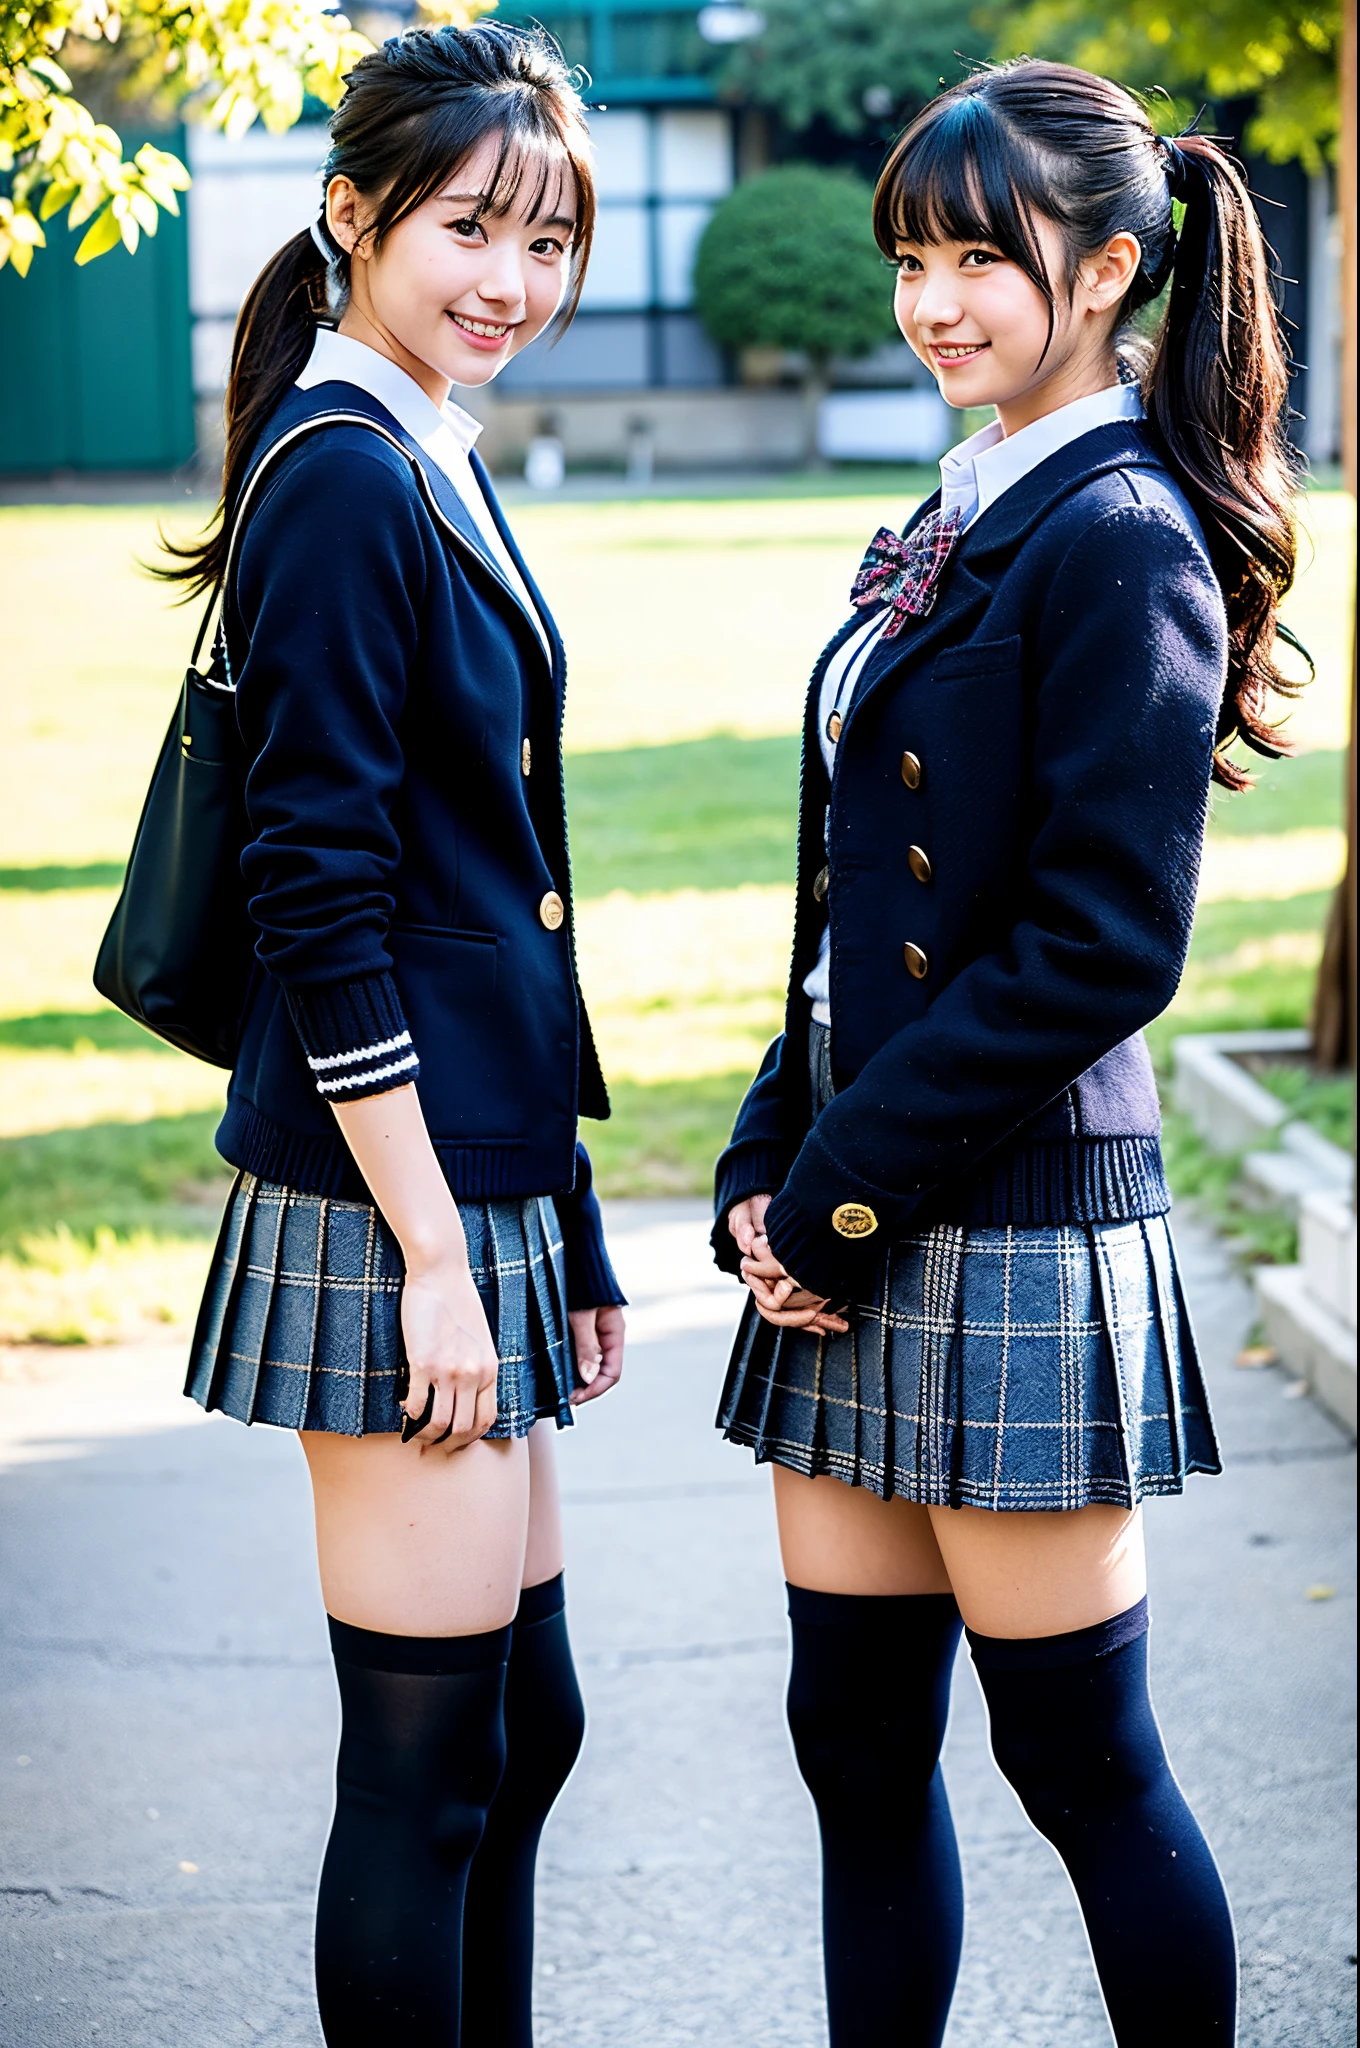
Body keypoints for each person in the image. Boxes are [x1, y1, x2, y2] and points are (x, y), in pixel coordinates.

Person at [713, 60, 1303, 2048]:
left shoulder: (1114, 528)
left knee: (1082, 1772)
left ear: (1114, 267)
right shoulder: (961, 502)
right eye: (909, 255)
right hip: (846, 1209)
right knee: (853, 1765)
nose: (931, 300)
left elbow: (1096, 943)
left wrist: (835, 1187)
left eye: (981, 255)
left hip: (1011, 1225)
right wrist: (759, 1149)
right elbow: (849, 893)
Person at [165, 25, 624, 2045]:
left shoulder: (417, 433)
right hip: (392, 1198)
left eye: (546, 242)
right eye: (468, 229)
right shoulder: (345, 477)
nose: (509, 282)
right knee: (426, 1775)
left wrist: (573, 1221)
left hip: (483, 1165)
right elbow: (320, 898)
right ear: (353, 213)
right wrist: (443, 1253)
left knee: (520, 1735)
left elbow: (500, 883)